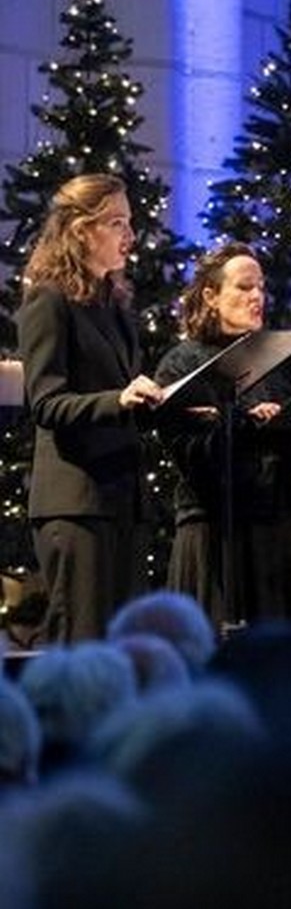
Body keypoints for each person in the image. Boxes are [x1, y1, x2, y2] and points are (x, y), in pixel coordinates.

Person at [154, 244, 291, 631]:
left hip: (278, 532)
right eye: (243, 287)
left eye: (261, 287)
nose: (257, 296)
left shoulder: (290, 361)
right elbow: (190, 455)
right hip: (212, 535)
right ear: (210, 295)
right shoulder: (182, 362)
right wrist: (242, 422)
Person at [14, 173, 164, 643]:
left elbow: (122, 398)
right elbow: (47, 403)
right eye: (116, 223)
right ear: (82, 230)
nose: (130, 236)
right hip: (76, 503)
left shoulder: (114, 303)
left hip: (122, 499)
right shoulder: (49, 299)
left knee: (121, 646)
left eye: (129, 222)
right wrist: (118, 399)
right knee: (81, 644)